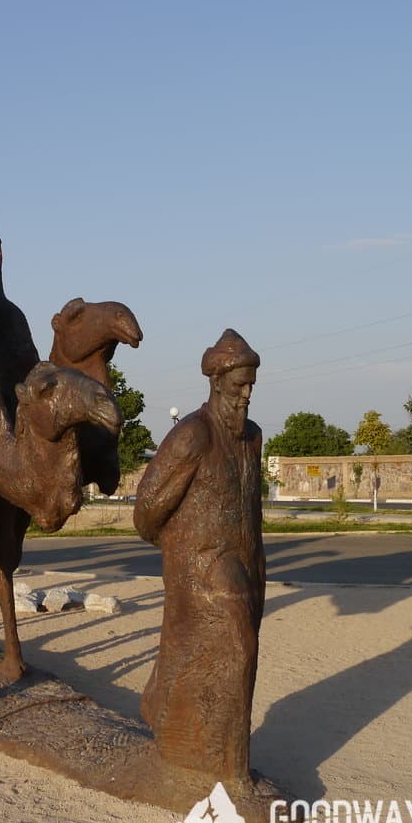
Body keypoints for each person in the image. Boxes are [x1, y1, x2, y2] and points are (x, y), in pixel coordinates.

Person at [132, 329, 265, 781]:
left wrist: (256, 564)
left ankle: (188, 739)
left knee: (229, 652)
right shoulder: (192, 435)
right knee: (239, 647)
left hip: (246, 561)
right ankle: (231, 770)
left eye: (251, 385)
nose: (246, 395)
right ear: (216, 381)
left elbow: (251, 507)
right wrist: (183, 550)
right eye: (239, 385)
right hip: (201, 566)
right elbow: (146, 511)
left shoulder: (252, 437)